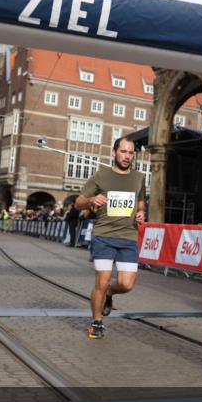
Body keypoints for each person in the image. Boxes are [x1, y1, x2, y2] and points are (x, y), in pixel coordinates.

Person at [74, 137, 146, 339]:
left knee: (126, 284)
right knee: (102, 281)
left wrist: (141, 213)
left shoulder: (139, 178)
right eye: (123, 151)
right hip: (103, 236)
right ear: (114, 152)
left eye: (130, 153)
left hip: (128, 236)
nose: (127, 156)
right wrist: (91, 199)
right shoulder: (101, 176)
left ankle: (109, 294)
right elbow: (78, 203)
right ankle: (96, 322)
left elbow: (140, 202)